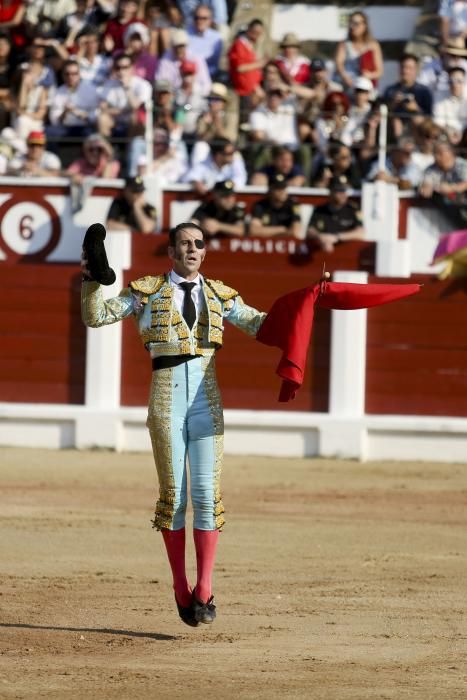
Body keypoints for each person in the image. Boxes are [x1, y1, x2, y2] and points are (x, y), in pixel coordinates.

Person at [81, 220, 267, 626]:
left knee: (206, 493)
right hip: (165, 400)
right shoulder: (147, 291)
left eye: (198, 244)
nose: (192, 249)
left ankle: (204, 587)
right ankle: (180, 585)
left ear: (205, 252)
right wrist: (94, 279)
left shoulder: (221, 295)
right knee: (175, 497)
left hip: (207, 400)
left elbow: (260, 324)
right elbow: (96, 317)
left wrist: (308, 304)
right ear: (171, 252)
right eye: (184, 243)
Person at [307, 175, 364, 253]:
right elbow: (310, 230)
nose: (343, 194)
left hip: (348, 255)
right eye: (339, 191)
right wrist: (320, 237)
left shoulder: (353, 210)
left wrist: (336, 237)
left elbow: (361, 232)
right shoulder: (319, 210)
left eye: (344, 191)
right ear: (330, 191)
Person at [419, 138, 467, 228]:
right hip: (450, 210)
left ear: (451, 153)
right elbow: (427, 182)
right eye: (435, 153)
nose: (437, 157)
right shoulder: (431, 169)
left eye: (440, 153)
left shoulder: (462, 165)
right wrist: (426, 188)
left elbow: (465, 184)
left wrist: (452, 188)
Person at [334, 11, 383, 91]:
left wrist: (369, 75)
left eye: (356, 23)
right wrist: (345, 77)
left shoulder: (373, 45)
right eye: (351, 23)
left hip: (364, 87)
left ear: (365, 25)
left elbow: (379, 71)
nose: (352, 27)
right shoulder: (344, 44)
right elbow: (339, 64)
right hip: (346, 84)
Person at [249, 173, 302, 239]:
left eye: (284, 188)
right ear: (270, 190)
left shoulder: (293, 205)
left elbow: (295, 232)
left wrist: (266, 232)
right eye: (278, 189)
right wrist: (281, 229)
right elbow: (254, 231)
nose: (282, 192)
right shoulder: (260, 205)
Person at [187, 4, 223, 79]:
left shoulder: (216, 38)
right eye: (197, 18)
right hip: (186, 73)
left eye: (204, 18)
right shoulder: (186, 34)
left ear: (210, 20)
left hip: (207, 76)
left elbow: (212, 64)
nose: (199, 21)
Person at [433, 66, 467, 143]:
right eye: (451, 81)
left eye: (459, 81)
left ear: (464, 81)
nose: (455, 85)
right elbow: (438, 120)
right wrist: (449, 131)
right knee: (434, 131)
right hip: (445, 132)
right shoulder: (439, 95)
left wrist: (461, 131)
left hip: (465, 132)